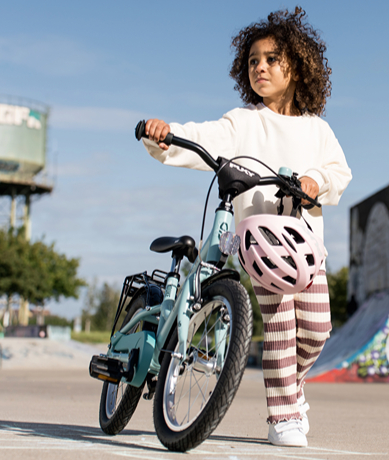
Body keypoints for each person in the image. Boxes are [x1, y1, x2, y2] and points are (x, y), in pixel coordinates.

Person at [141, 7, 351, 448]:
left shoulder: (318, 129)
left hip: (306, 246)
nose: (261, 67)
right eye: (253, 60)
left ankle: (292, 390)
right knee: (279, 323)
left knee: (316, 331)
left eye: (272, 59)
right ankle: (283, 417)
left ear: (296, 67)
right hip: (260, 242)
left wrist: (316, 181)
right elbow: (203, 140)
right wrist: (164, 135)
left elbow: (339, 173)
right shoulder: (243, 122)